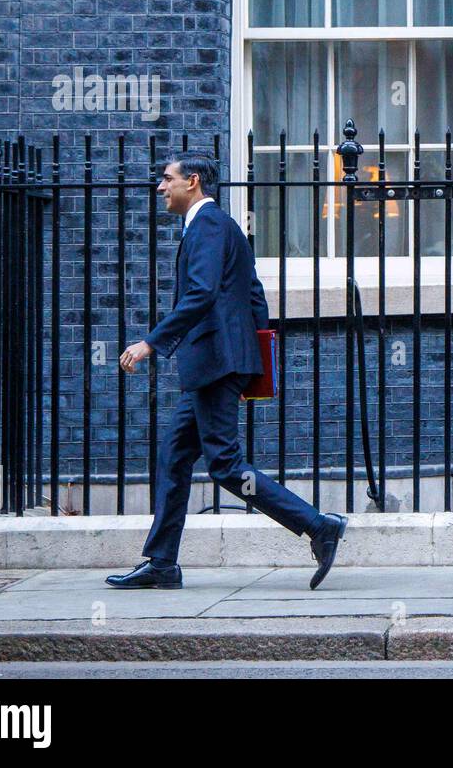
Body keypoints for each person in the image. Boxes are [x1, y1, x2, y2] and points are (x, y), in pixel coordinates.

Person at [106, 152, 347, 591]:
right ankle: (161, 563)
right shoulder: (213, 228)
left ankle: (318, 526)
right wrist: (251, 367)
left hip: (216, 363)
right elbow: (254, 295)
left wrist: (151, 344)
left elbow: (199, 295)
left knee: (225, 465)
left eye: (167, 178)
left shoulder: (210, 225)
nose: (161, 188)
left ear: (192, 182)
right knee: (175, 457)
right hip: (220, 364)